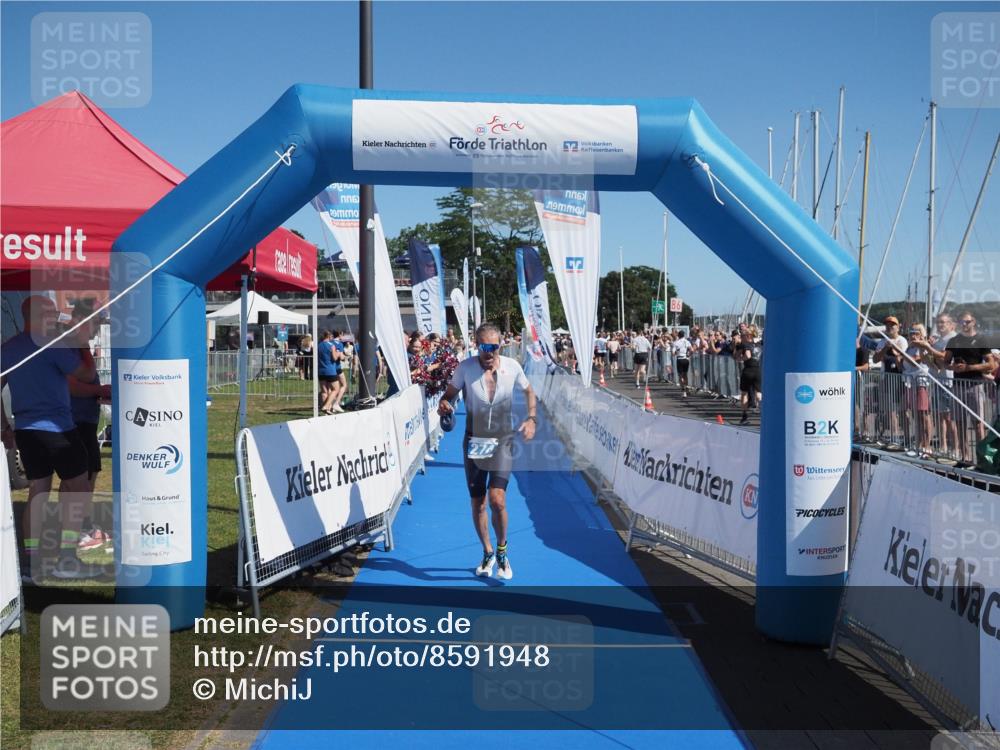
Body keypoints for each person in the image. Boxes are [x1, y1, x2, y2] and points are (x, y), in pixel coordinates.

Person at [0, 296, 101, 579]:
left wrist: (5, 426)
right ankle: (67, 558)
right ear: (39, 314)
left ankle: (31, 564)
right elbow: (87, 373)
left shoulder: (8, 348)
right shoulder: (52, 344)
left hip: (27, 431)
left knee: (38, 492)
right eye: (51, 312)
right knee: (78, 491)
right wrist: (82, 344)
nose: (56, 317)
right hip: (58, 429)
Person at [438, 323, 536, 580]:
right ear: (476, 344)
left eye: (493, 347)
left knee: (497, 500)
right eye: (483, 346)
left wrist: (532, 418)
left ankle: (502, 550)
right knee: (478, 503)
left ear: (500, 346)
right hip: (474, 442)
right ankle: (488, 551)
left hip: (503, 440)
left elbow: (529, 391)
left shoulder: (512, 367)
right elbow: (447, 396)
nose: (488, 351)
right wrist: (444, 405)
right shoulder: (465, 368)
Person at [66, 299, 113, 552]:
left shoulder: (79, 343)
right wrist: (99, 389)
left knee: (85, 474)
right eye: (96, 322)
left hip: (83, 418)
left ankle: (77, 528)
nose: (98, 328)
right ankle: (80, 530)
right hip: (76, 419)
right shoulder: (71, 343)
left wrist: (98, 393)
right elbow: (70, 385)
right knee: (82, 477)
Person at [944, 312, 997, 465]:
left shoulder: (981, 339)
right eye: (962, 322)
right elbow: (945, 362)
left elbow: (991, 364)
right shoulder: (954, 340)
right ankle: (965, 456)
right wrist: (953, 366)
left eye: (967, 322)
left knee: (978, 423)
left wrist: (969, 367)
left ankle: (981, 459)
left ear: (973, 322)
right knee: (959, 422)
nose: (964, 325)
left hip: (975, 384)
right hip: (958, 385)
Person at [317, 330, 341, 414]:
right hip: (330, 370)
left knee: (324, 391)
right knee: (336, 389)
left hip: (320, 371)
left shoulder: (318, 345)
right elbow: (334, 358)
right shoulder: (332, 345)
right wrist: (338, 354)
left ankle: (326, 411)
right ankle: (326, 406)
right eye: (331, 337)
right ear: (328, 336)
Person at [738, 346, 762, 425]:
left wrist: (740, 358)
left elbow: (747, 356)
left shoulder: (747, 345)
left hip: (748, 370)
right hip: (757, 370)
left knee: (744, 393)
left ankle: (744, 416)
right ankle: (763, 414)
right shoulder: (760, 346)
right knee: (758, 393)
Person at [671, 331, 693, 397]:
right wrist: (689, 355)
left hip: (679, 359)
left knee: (680, 375)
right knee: (685, 374)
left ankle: (683, 390)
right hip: (686, 359)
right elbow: (691, 350)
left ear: (678, 335)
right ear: (684, 335)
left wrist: (676, 353)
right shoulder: (687, 341)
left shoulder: (676, 343)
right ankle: (686, 388)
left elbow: (673, 353)